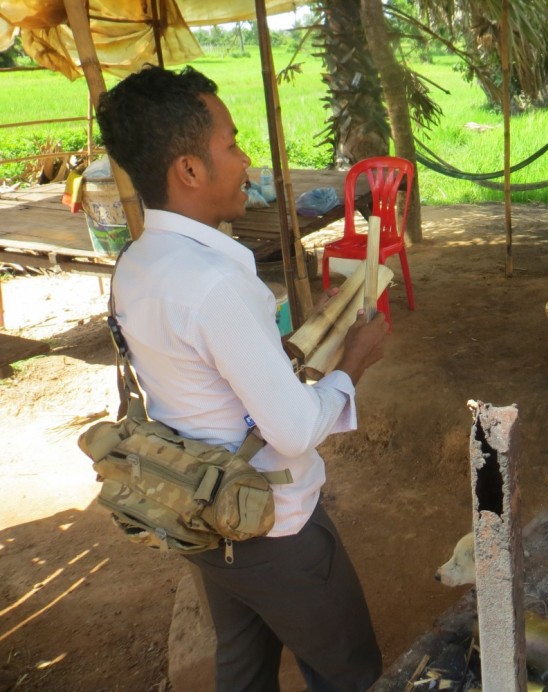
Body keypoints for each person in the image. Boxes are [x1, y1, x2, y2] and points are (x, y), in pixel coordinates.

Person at [95, 65, 387, 691]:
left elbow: (193, 373)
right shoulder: (216, 282)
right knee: (350, 672)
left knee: (244, 663)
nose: (247, 159)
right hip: (273, 525)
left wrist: (272, 354)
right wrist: (355, 358)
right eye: (231, 144)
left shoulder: (137, 262)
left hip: (204, 512)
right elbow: (293, 430)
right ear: (189, 169)